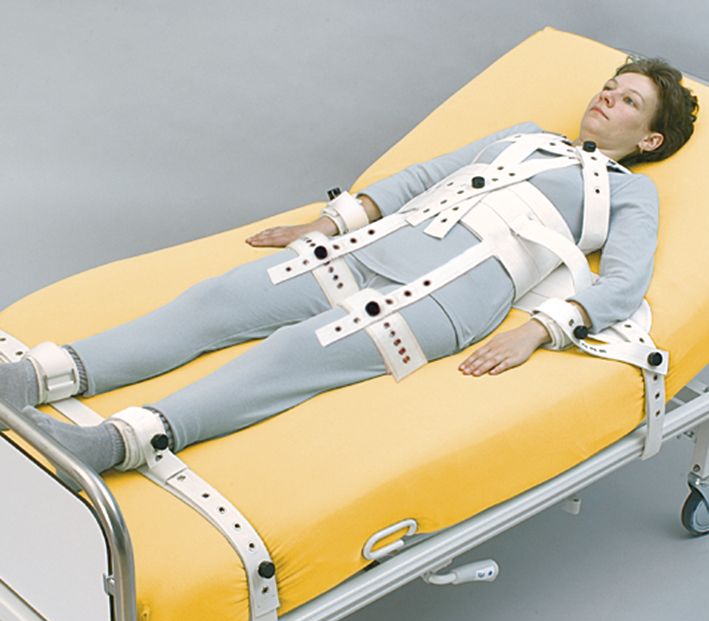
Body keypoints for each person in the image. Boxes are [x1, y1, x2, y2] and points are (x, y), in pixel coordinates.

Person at [0, 56, 699, 478]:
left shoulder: (629, 193)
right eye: (610, 85)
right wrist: (327, 224)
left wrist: (539, 330)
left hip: (443, 300)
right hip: (370, 249)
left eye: (628, 101)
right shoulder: (521, 137)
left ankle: (112, 444)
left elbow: (624, 284)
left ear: (649, 138)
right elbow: (420, 177)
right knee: (216, 300)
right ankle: (34, 376)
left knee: (290, 355)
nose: (607, 97)